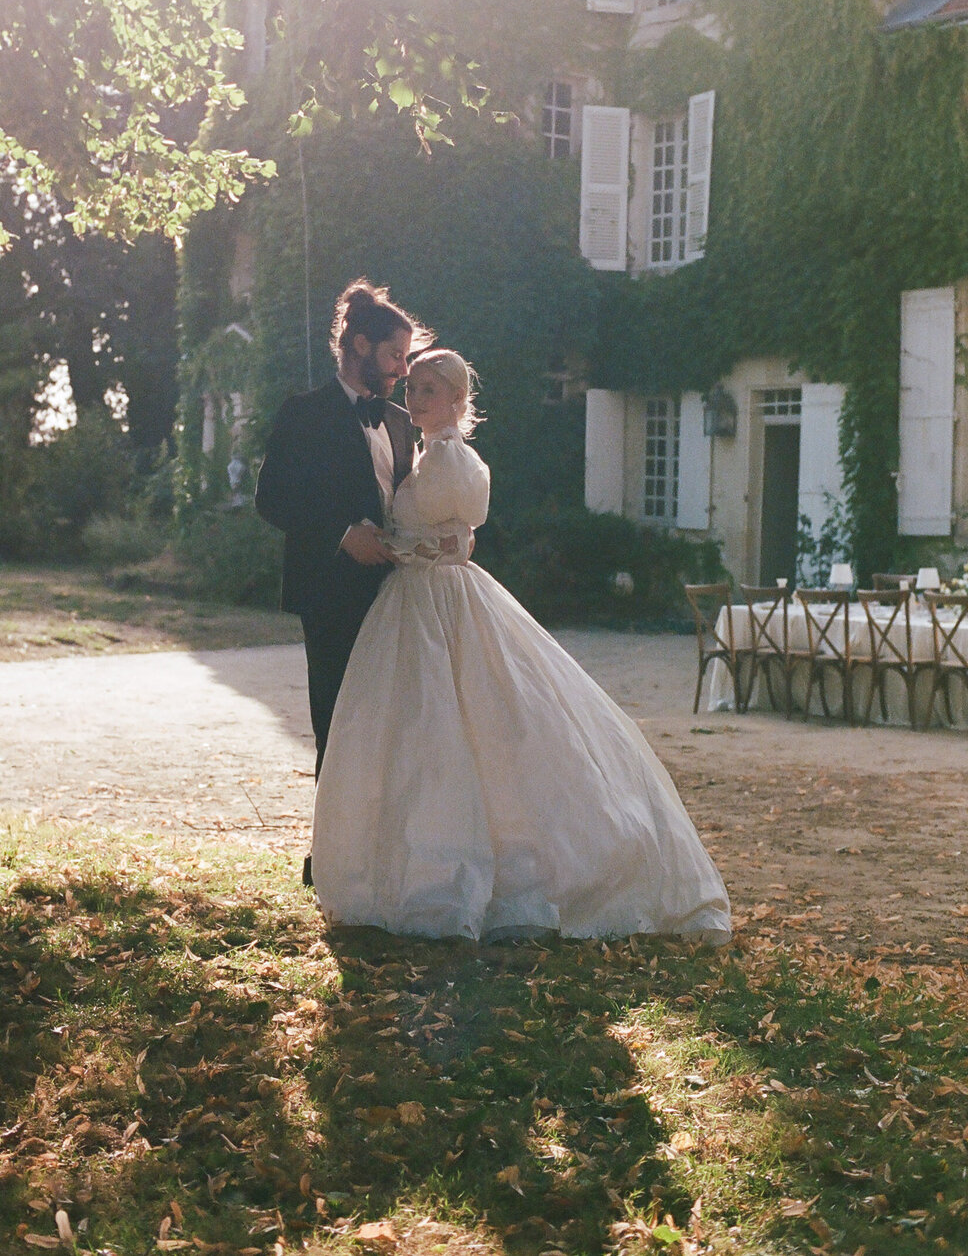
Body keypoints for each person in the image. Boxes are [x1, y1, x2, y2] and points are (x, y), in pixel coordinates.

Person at [311, 349, 731, 944]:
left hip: (439, 599)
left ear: (457, 400)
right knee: (416, 731)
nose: (415, 400)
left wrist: (400, 547)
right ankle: (409, 867)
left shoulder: (452, 457)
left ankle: (474, 872)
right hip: (413, 602)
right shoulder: (427, 454)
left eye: (429, 391)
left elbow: (456, 538)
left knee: (473, 722)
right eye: (413, 389)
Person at [255, 280, 427, 799]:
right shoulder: (302, 413)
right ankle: (330, 856)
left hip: (397, 596)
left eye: (406, 357)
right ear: (359, 345)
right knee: (338, 722)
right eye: (395, 355)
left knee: (395, 725)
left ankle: (383, 850)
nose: (403, 368)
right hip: (329, 594)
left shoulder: (401, 422)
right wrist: (341, 534)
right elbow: (272, 498)